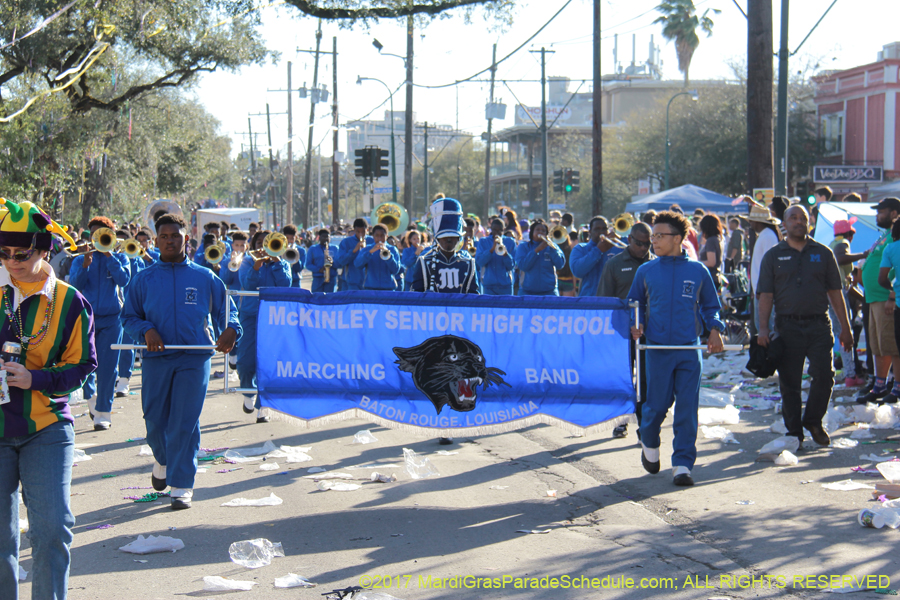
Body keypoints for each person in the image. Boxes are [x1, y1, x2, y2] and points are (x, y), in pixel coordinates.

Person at [0, 200, 96, 600]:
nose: (11, 262)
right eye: (2, 253)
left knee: (53, 529)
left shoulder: (72, 301)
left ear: (44, 251)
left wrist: (34, 378)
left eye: (20, 254)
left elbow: (83, 366)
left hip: (47, 428)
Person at [122, 213, 240, 510]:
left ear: (186, 239)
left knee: (184, 422)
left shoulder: (204, 276)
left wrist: (231, 329)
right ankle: (163, 459)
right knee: (155, 421)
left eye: (176, 235)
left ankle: (182, 484)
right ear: (156, 240)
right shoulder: (143, 278)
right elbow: (128, 317)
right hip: (157, 358)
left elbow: (229, 311)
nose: (170, 241)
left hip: (194, 357)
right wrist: (146, 329)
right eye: (164, 236)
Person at [627, 211, 724, 487]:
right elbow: (635, 305)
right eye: (653, 236)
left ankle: (682, 464)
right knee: (655, 407)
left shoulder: (698, 270)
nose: (653, 241)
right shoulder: (645, 271)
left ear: (678, 239)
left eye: (659, 236)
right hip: (656, 349)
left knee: (686, 409)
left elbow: (710, 306)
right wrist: (637, 324)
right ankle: (649, 440)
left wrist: (715, 329)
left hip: (688, 350)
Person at [757, 205, 852, 446]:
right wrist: (764, 329)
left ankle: (813, 420)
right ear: (784, 224)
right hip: (787, 327)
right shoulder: (773, 256)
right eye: (793, 218)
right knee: (790, 382)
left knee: (825, 376)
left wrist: (846, 327)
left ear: (809, 222)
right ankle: (794, 433)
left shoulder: (823, 252)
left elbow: (835, 292)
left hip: (819, 325)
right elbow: (766, 295)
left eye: (803, 218)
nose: (799, 222)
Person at [68, 216, 131, 431]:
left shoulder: (119, 257)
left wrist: (109, 256)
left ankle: (103, 412)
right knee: (85, 363)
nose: (98, 238)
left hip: (112, 318)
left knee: (108, 367)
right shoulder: (81, 259)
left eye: (102, 234)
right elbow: (74, 286)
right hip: (86, 318)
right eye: (94, 234)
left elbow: (124, 280)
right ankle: (91, 399)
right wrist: (84, 266)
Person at [598, 222, 655, 439]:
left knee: (646, 379)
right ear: (629, 239)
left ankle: (645, 424)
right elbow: (605, 301)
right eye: (639, 243)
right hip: (621, 333)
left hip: (649, 332)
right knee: (622, 377)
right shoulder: (614, 264)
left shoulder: (655, 263)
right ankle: (621, 420)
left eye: (647, 244)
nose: (643, 248)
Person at [237, 230, 291, 422]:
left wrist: (277, 263)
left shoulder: (282, 263)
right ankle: (248, 392)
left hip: (273, 317)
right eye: (259, 243)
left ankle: (264, 406)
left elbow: (286, 285)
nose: (263, 247)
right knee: (245, 361)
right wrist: (256, 267)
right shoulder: (246, 261)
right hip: (250, 315)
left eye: (267, 243)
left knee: (268, 362)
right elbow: (246, 283)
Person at [858, 198, 900, 404]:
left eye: (881, 212)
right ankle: (880, 385)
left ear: (894, 213)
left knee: (892, 345)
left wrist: (892, 295)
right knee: (877, 345)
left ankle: (895, 386)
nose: (877, 215)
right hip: (874, 297)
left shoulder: (896, 235)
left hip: (887, 299)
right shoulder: (885, 235)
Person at [410, 198, 480, 295]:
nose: (449, 239)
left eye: (453, 236)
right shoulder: (424, 262)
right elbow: (415, 298)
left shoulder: (468, 263)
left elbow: (475, 299)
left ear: (459, 238)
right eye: (444, 237)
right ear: (437, 239)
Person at [830, 219, 869, 387]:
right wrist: (863, 255)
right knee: (846, 333)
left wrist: (862, 298)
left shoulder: (832, 243)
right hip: (836, 293)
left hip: (831, 292)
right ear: (849, 234)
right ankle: (851, 375)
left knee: (837, 332)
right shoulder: (842, 243)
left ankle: (839, 371)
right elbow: (841, 258)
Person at [748, 203, 782, 336]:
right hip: (761, 290)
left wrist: (764, 289)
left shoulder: (767, 236)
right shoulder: (765, 235)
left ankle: (770, 356)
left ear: (757, 221)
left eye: (751, 220)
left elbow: (770, 267)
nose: (750, 223)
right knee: (763, 328)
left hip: (765, 292)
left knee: (766, 329)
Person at [570, 217, 622, 297]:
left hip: (610, 300)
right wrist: (598, 250)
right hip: (588, 300)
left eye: (604, 229)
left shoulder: (616, 249)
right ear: (590, 231)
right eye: (597, 229)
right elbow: (577, 271)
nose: (601, 232)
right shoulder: (580, 248)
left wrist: (620, 239)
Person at [515, 220, 565, 296]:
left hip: (550, 292)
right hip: (527, 292)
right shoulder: (523, 246)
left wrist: (552, 249)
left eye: (543, 231)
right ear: (531, 232)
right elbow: (523, 266)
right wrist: (536, 250)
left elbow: (560, 265)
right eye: (537, 230)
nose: (540, 232)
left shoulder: (552, 247)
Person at [475, 219, 517, 295]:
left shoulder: (510, 242)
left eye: (500, 230)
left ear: (504, 229)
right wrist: (491, 249)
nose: (497, 233)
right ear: (491, 228)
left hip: (505, 286)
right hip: (489, 286)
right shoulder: (483, 241)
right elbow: (480, 262)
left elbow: (511, 266)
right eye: (494, 230)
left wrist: (505, 253)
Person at [355, 224, 401, 291]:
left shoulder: (393, 249)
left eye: (382, 236)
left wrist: (389, 256)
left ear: (387, 236)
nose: (379, 238)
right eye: (377, 236)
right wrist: (370, 252)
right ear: (373, 236)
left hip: (388, 289)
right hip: (370, 288)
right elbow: (357, 265)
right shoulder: (367, 249)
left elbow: (395, 270)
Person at [336, 218, 373, 291]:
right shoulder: (346, 242)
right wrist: (354, 251)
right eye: (358, 232)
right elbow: (341, 261)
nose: (360, 234)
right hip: (351, 282)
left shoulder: (372, 241)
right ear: (354, 230)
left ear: (367, 230)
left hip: (369, 283)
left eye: (363, 232)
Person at [698, 214, 724, 288]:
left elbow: (711, 262)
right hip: (715, 277)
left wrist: (696, 262)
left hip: (710, 278)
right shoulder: (717, 239)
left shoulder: (711, 240)